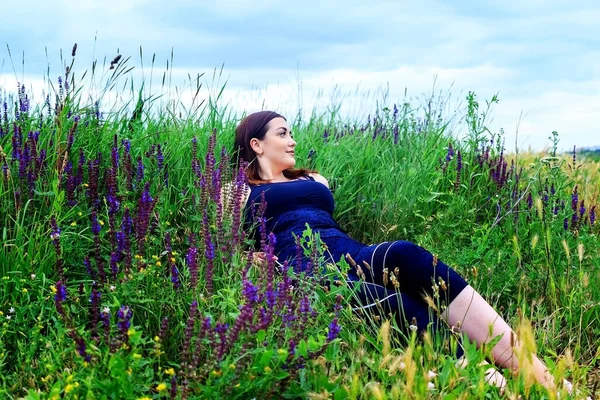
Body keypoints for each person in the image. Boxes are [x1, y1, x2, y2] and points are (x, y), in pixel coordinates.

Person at [232, 110, 579, 395]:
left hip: (349, 253)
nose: (292, 140)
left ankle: (538, 373)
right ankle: (497, 384)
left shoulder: (314, 180)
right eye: (282, 133)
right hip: (306, 270)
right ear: (256, 144)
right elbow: (223, 248)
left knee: (405, 253)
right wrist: (251, 259)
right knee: (391, 300)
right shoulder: (235, 190)